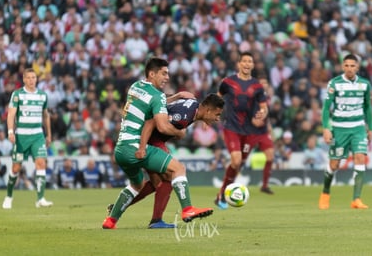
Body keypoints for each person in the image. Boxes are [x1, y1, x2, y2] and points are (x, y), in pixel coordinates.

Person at [102, 56, 214, 229]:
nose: (167, 77)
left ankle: (110, 220)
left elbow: (153, 103)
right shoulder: (157, 96)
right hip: (136, 146)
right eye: (164, 73)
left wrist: (175, 96)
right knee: (177, 169)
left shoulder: (136, 86)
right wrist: (179, 132)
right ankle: (188, 209)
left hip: (121, 149)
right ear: (152, 74)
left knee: (137, 184)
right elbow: (161, 126)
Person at [106, 93, 225, 228]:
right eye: (217, 114)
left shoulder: (192, 103)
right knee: (172, 173)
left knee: (158, 181)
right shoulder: (183, 115)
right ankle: (182, 211)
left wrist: (178, 95)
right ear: (208, 110)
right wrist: (145, 146)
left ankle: (120, 210)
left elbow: (163, 106)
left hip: (148, 140)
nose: (217, 119)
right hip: (148, 140)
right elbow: (152, 121)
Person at [214, 51, 275, 210]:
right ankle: (223, 195)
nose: (247, 64)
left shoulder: (257, 86)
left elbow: (264, 107)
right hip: (231, 127)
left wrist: (263, 113)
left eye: (250, 61)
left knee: (238, 164)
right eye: (245, 61)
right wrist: (211, 114)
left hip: (249, 131)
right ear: (239, 64)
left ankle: (221, 195)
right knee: (236, 160)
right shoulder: (228, 82)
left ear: (253, 65)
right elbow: (217, 98)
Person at [318, 54, 372, 210]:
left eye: (352, 65)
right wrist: (326, 128)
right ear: (343, 67)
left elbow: (368, 108)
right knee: (334, 164)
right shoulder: (334, 83)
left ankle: (356, 199)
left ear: (357, 67)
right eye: (347, 65)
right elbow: (325, 108)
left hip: (358, 128)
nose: (349, 68)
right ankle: (325, 193)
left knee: (360, 157)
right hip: (339, 129)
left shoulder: (364, 84)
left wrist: (371, 128)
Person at [2, 68, 53, 209]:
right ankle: (9, 196)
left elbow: (46, 115)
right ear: (24, 79)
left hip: (38, 135)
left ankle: (40, 199)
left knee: (41, 163)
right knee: (16, 167)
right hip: (22, 136)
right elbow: (11, 115)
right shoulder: (17, 95)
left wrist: (49, 134)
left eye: (34, 77)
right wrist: (10, 131)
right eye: (28, 78)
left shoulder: (42, 95)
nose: (31, 80)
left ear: (36, 79)